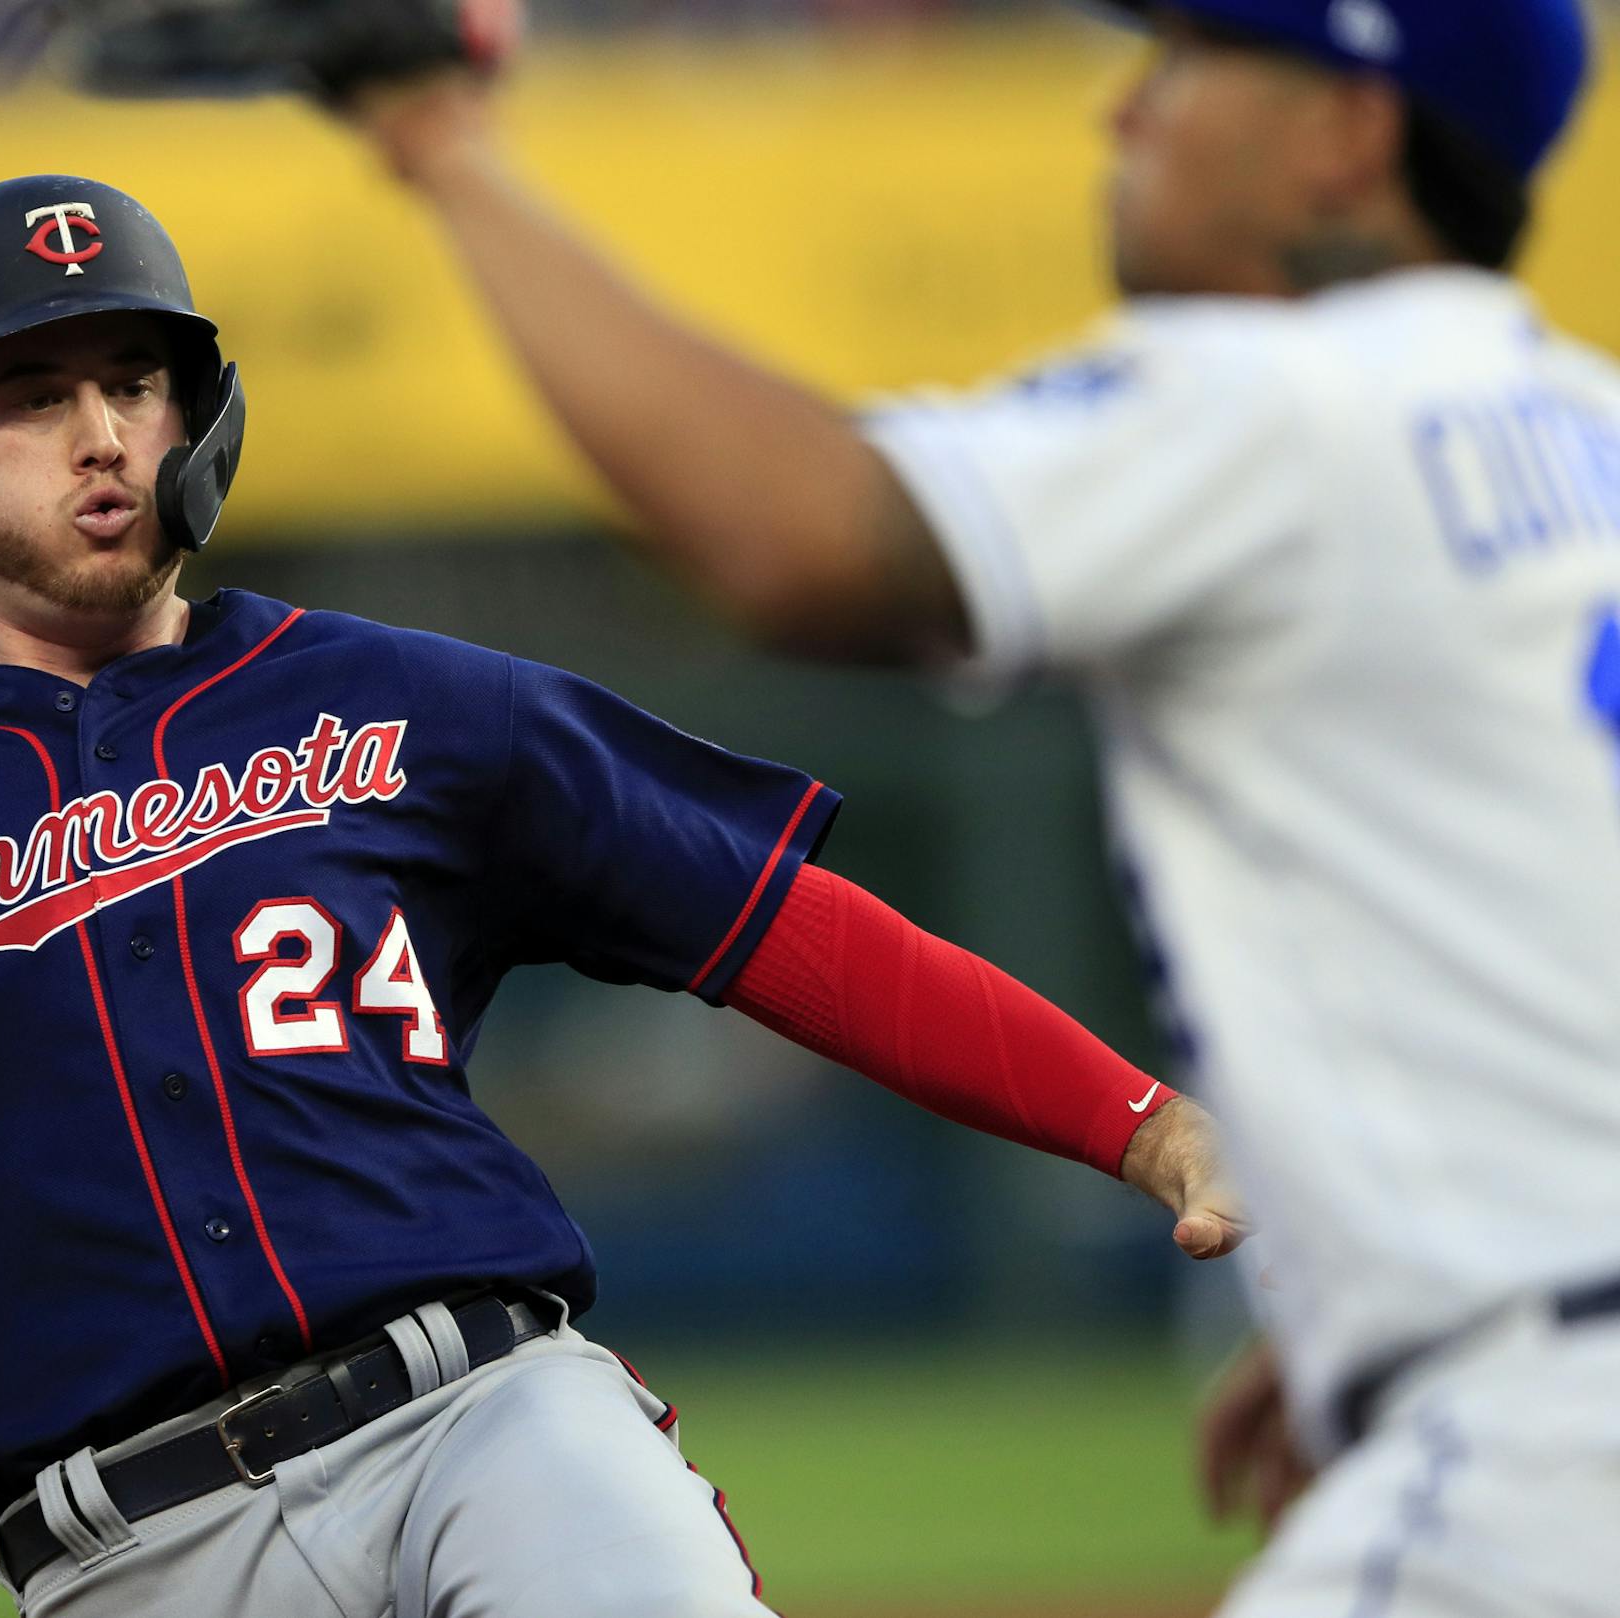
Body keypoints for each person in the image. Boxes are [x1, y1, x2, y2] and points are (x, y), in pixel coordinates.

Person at [0, 174, 1241, 1616]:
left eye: (136, 382)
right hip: (128, 1548)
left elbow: (784, 927)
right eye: (33, 396)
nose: (103, 432)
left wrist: (1144, 1119)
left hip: (486, 1421)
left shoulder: (410, 704)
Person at [346, 0, 1620, 1611]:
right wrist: (1396, 1300)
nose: (1125, 115)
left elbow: (806, 538)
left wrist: (443, 149)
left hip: (1546, 1443)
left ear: (1347, 135)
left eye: (1185, 65)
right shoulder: (1590, 430)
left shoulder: (1289, 396)